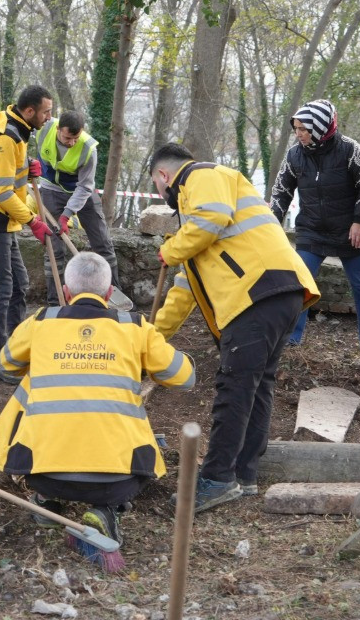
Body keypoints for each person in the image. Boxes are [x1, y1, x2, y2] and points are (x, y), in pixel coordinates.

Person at [150, 144, 320, 512]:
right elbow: (185, 290)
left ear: (164, 176)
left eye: (157, 186)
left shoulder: (202, 176)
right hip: (276, 292)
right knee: (257, 385)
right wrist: (150, 337)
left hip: (258, 292)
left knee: (236, 385)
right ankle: (244, 474)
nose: (163, 197)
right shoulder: (196, 224)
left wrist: (170, 249)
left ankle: (217, 479)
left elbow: (210, 219)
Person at [0, 252, 195, 543]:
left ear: (66, 291)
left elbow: (6, 365)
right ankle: (106, 509)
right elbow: (185, 378)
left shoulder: (40, 322)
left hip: (42, 474)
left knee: (31, 380)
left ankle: (46, 501)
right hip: (121, 480)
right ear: (110, 293)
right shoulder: (135, 327)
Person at [270, 100, 360, 352]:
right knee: (299, 283)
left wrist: (359, 221)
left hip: (352, 229)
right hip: (313, 230)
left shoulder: (351, 150)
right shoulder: (294, 155)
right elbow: (281, 192)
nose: (298, 133)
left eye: (303, 128)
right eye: (296, 128)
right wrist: (270, 222)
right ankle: (290, 338)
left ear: (321, 127)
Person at [0, 85, 55, 383]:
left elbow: (9, 175)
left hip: (3, 221)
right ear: (29, 111)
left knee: (20, 284)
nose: (49, 117)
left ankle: (14, 350)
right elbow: (3, 193)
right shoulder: (6, 138)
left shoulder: (16, 128)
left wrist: (27, 167)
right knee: (2, 288)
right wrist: (33, 221)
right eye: (46, 112)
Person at [36, 110, 121, 304]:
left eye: (75, 138)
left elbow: (85, 186)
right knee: (53, 248)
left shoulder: (88, 148)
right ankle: (56, 301)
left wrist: (66, 215)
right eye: (67, 138)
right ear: (58, 129)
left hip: (82, 192)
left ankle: (113, 295)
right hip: (51, 189)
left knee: (103, 244)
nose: (72, 142)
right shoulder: (43, 128)